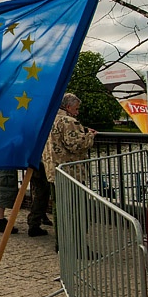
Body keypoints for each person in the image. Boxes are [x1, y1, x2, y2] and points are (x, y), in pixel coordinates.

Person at [40, 92, 97, 246]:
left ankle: (61, 243)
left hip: (53, 171)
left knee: (60, 209)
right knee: (77, 211)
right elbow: (76, 144)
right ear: (68, 107)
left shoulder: (49, 119)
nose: (77, 112)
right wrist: (90, 136)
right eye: (76, 109)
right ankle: (77, 245)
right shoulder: (68, 121)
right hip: (71, 174)